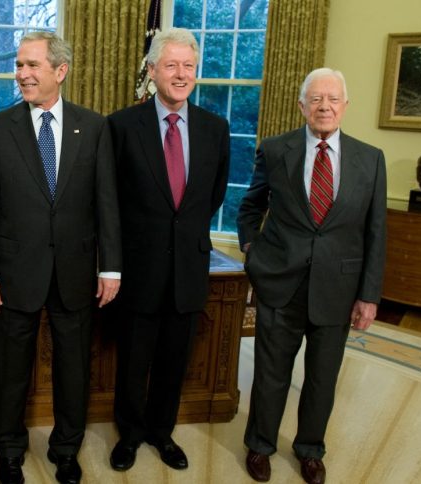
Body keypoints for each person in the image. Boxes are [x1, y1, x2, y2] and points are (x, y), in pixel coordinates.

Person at [0, 31, 122, 484]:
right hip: (14, 273)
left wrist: (110, 267)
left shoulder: (94, 127)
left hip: (76, 272)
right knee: (11, 371)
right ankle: (10, 451)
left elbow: (106, 203)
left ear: (60, 71)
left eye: (32, 65)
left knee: (74, 370)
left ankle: (66, 451)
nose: (22, 74)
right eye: (19, 65)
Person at [237, 68, 387, 484]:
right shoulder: (275, 149)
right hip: (280, 281)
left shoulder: (370, 159)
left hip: (338, 288)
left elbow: (376, 232)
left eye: (333, 99)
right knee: (270, 374)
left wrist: (369, 294)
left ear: (345, 106)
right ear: (302, 105)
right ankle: (260, 445)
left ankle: (310, 450)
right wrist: (253, 252)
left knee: (322, 378)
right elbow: (250, 207)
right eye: (316, 99)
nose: (325, 106)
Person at [106, 27, 230, 473]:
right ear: (153, 69)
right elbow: (111, 200)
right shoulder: (121, 125)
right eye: (172, 65)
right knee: (134, 360)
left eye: (189, 67)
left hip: (189, 270)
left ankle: (162, 432)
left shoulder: (216, 129)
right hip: (139, 268)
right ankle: (130, 434)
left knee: (174, 361)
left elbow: (210, 197)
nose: (181, 75)